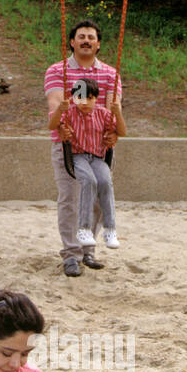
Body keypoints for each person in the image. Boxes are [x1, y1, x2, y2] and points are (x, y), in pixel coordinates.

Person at [43, 20, 123, 277]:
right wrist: (61, 123)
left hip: (99, 146)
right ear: (72, 42)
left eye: (91, 37)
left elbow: (114, 109)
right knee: (70, 198)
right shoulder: (57, 70)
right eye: (81, 36)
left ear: (98, 44)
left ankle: (88, 250)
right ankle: (71, 254)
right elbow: (56, 104)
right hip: (68, 146)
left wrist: (113, 133)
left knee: (99, 193)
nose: (86, 40)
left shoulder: (111, 74)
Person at [48, 77, 126, 249]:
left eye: (89, 98)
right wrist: (59, 111)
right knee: (89, 181)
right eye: (80, 98)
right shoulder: (69, 113)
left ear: (96, 98)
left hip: (97, 157)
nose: (84, 102)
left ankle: (110, 229)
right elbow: (52, 126)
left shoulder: (103, 113)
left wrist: (118, 112)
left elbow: (122, 132)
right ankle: (84, 228)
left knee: (105, 182)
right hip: (77, 157)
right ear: (74, 98)